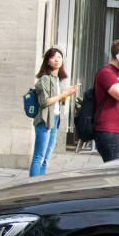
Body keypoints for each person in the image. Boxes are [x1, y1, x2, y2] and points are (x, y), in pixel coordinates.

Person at [30, 48, 79, 177]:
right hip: (44, 120)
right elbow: (44, 102)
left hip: (55, 119)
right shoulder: (45, 79)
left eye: (59, 57)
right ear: (47, 61)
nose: (57, 60)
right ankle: (32, 186)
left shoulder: (59, 79)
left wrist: (68, 93)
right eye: (53, 57)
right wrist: (64, 94)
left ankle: (40, 184)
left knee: (46, 158)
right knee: (39, 157)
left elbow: (58, 101)